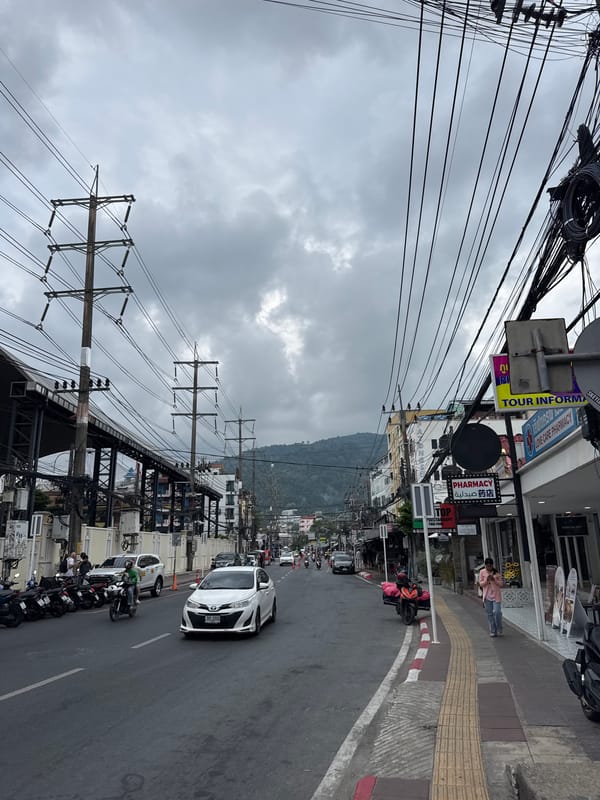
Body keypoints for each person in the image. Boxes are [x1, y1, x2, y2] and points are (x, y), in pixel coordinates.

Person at [479, 557, 503, 637]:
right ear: (485, 565)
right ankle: (493, 631)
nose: (489, 567)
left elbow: (501, 584)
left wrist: (494, 580)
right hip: (487, 596)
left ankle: (499, 627)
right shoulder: (482, 572)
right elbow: (481, 584)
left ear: (492, 565)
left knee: (497, 612)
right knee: (490, 614)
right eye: (487, 566)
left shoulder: (496, 572)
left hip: (496, 596)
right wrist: (487, 580)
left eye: (490, 566)